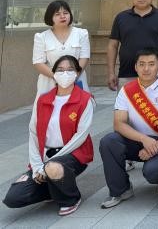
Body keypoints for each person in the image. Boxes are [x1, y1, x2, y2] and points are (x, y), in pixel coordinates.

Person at [3, 55, 94, 216]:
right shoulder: (43, 100)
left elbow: (80, 136)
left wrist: (47, 166)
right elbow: (33, 133)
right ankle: (54, 187)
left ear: (77, 73)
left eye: (70, 69)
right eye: (60, 70)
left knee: (53, 167)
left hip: (73, 154)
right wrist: (37, 166)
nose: (65, 73)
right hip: (45, 157)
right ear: (53, 73)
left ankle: (71, 199)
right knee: (14, 197)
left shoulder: (85, 100)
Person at [99, 48, 158, 208]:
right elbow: (119, 123)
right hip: (138, 139)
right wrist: (143, 139)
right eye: (141, 64)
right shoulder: (127, 91)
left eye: (151, 64)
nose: (146, 68)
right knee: (109, 141)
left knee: (152, 172)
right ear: (135, 66)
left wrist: (155, 145)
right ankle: (121, 190)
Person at [107, 0, 158, 90]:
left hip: (154, 74)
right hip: (126, 74)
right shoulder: (121, 17)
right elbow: (112, 46)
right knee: (126, 101)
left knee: (154, 102)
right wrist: (111, 73)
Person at [33, 0, 90, 94]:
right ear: (50, 17)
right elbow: (38, 62)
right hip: (49, 81)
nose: (62, 16)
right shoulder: (41, 37)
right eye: (57, 14)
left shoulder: (81, 33)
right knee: (49, 103)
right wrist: (58, 77)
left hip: (76, 79)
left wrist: (73, 76)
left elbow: (84, 57)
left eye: (65, 13)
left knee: (79, 102)